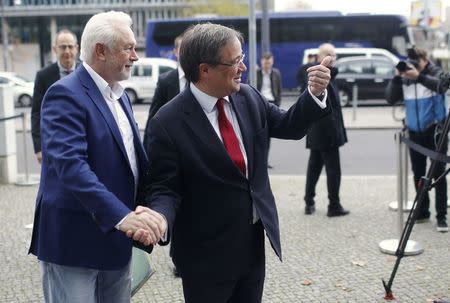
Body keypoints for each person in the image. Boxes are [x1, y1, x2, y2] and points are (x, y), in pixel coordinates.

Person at [145, 23, 332, 303]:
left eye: (242, 58)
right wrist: (158, 217)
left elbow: (289, 126)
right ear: (204, 69)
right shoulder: (167, 122)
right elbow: (164, 188)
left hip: (252, 245)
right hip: (205, 256)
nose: (243, 68)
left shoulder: (248, 96)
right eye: (235, 62)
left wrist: (314, 93)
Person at [28, 11, 166, 303]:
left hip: (116, 242)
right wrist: (122, 216)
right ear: (100, 51)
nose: (135, 56)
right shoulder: (64, 94)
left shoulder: (121, 95)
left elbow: (130, 163)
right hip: (74, 244)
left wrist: (148, 211)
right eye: (128, 47)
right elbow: (72, 167)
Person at [386, 46, 448, 232]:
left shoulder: (435, 72)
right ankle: (422, 211)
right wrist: (398, 76)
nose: (413, 65)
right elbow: (390, 98)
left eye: (417, 62)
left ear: (424, 60)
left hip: (435, 132)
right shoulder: (405, 77)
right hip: (414, 133)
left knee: (438, 175)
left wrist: (419, 76)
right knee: (419, 174)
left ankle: (441, 216)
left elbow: (440, 85)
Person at [301, 43, 349, 217]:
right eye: (329, 54)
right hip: (326, 133)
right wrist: (335, 133)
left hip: (318, 132)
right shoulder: (319, 76)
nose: (332, 58)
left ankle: (309, 202)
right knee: (333, 171)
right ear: (320, 56)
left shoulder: (329, 76)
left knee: (313, 168)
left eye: (334, 55)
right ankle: (334, 205)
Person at [31, 29, 79, 164]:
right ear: (54, 49)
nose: (67, 51)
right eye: (63, 47)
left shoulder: (86, 72)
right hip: (54, 143)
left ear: (77, 48)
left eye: (70, 46)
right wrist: (38, 147)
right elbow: (36, 113)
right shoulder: (43, 76)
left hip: (83, 140)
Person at [143, 34, 185, 152]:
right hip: (171, 146)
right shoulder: (165, 81)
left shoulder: (201, 79)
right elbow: (153, 117)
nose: (186, 52)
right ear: (175, 52)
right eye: (183, 48)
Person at [255, 51, 282, 169]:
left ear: (272, 62)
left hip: (271, 104)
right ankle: (257, 161)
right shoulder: (256, 73)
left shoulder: (276, 73)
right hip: (259, 104)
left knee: (268, 135)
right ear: (262, 62)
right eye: (265, 63)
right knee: (257, 135)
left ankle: (265, 161)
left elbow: (279, 90)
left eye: (269, 62)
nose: (267, 65)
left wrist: (277, 104)